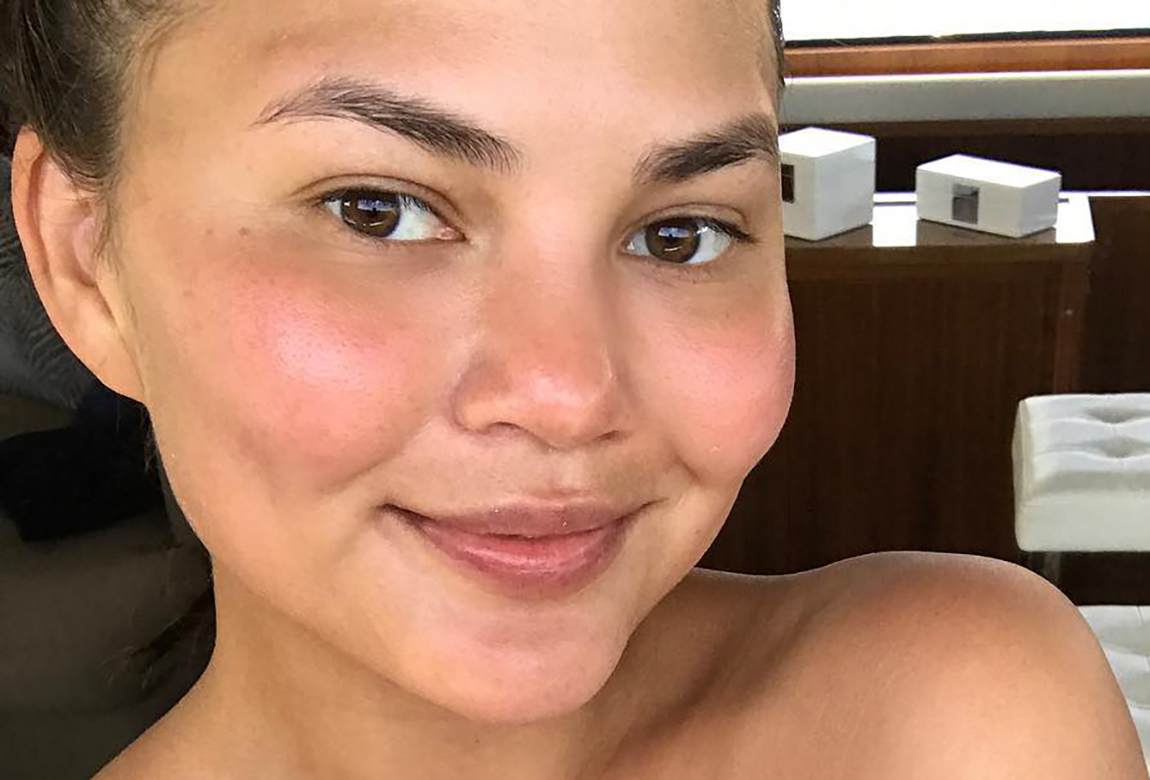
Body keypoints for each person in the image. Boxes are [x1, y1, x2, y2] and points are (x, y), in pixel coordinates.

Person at [2, 0, 1145, 777]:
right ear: (84, 261)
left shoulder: (947, 728)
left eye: (680, 232)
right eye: (377, 211)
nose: (567, 395)